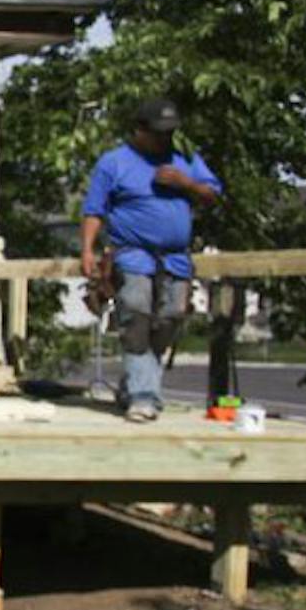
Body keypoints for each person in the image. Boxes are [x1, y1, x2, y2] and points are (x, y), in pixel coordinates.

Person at [80, 98, 224, 422]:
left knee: (169, 319)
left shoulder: (185, 159)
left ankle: (133, 385)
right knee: (136, 317)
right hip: (132, 254)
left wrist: (185, 183)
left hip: (175, 259)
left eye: (169, 132)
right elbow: (94, 210)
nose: (165, 139)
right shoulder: (114, 163)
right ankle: (143, 398)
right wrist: (87, 250)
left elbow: (213, 195)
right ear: (139, 130)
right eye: (158, 133)